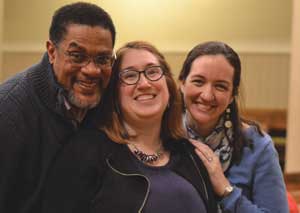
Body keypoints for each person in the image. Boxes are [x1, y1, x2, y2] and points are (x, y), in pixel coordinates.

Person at [41, 41, 218, 213]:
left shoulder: (190, 154)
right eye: (130, 75)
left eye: (153, 71)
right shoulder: (84, 151)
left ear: (169, 88)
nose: (144, 84)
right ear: (114, 94)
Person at [0, 2, 116, 213]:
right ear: (52, 52)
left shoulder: (111, 100)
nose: (92, 70)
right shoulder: (9, 111)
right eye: (77, 56)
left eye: (102, 59)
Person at [179, 41, 289, 212]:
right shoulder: (161, 136)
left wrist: (225, 190)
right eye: (199, 82)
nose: (207, 95)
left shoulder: (258, 146)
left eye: (220, 86)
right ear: (182, 83)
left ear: (232, 96)